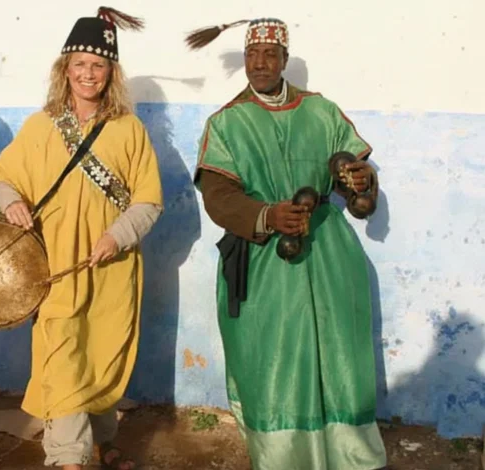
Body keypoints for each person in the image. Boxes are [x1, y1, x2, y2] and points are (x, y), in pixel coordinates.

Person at [186, 18, 387, 469]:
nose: (260, 64)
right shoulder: (227, 122)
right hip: (263, 261)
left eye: (270, 55)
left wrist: (361, 180)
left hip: (329, 255)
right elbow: (219, 198)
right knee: (273, 363)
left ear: (284, 60)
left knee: (340, 358)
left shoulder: (322, 111)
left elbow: (359, 183)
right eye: (252, 55)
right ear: (245, 59)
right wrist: (267, 216)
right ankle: (284, 459)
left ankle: (348, 455)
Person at [0, 7, 163, 469]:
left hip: (111, 268)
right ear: (65, 69)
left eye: (98, 65)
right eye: (80, 63)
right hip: (56, 270)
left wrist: (117, 235)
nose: (88, 74)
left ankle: (103, 438)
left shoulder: (129, 130)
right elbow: (0, 177)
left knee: (101, 356)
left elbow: (149, 201)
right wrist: (10, 202)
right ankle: (69, 456)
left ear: (111, 73)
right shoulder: (41, 127)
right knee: (62, 357)